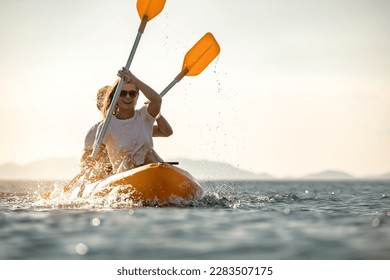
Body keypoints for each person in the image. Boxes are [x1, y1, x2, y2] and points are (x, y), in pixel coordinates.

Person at [92, 67, 170, 173]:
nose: (128, 97)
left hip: (150, 170)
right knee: (128, 159)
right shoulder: (106, 126)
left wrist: (135, 80)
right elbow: (97, 155)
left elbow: (157, 100)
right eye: (123, 93)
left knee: (149, 153)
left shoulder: (144, 115)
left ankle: (165, 177)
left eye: (132, 94)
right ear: (115, 97)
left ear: (137, 97)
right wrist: (91, 160)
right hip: (123, 174)